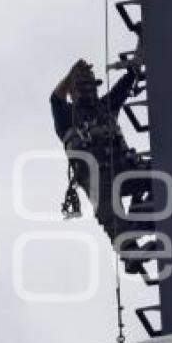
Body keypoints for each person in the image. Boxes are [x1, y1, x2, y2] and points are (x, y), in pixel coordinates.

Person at [50, 57, 146, 233]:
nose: (87, 89)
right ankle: (130, 251)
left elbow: (128, 80)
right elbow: (55, 98)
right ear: (71, 92)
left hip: (124, 169)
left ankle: (141, 214)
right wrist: (72, 74)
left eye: (90, 84)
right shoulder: (66, 116)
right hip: (97, 179)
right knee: (114, 220)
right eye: (81, 85)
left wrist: (141, 50)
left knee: (163, 172)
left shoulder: (105, 106)